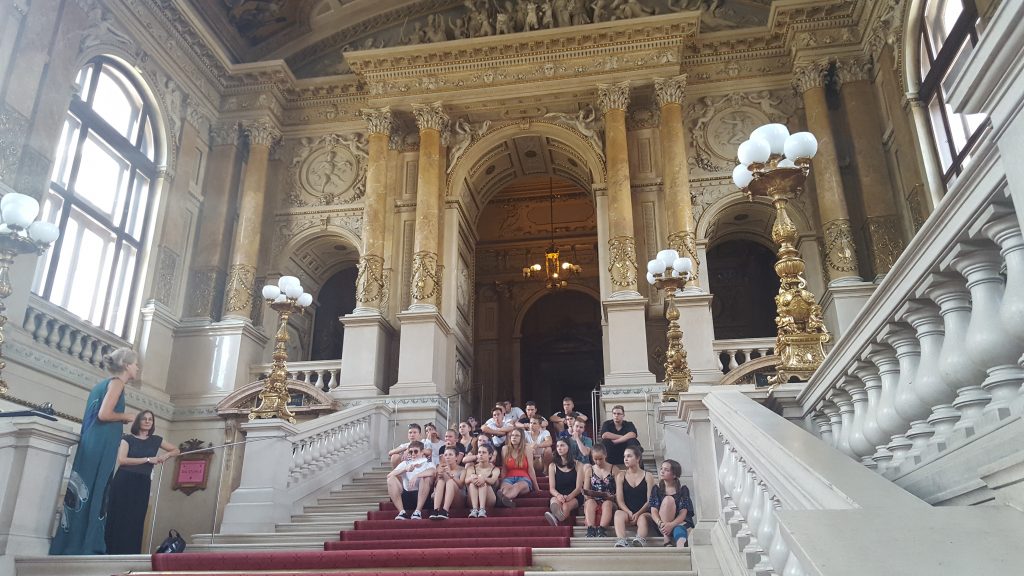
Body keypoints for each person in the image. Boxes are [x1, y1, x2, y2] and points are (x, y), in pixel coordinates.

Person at [51, 348, 138, 556]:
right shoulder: (117, 383)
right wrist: (126, 416)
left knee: (84, 490)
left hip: (94, 441)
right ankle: (89, 545)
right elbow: (104, 414)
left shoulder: (102, 384)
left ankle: (72, 542)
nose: (137, 368)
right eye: (136, 364)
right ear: (127, 365)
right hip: (102, 443)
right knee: (98, 490)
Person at [105, 411, 179, 554]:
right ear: (138, 421)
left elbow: (176, 450)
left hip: (142, 482)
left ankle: (130, 553)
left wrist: (166, 455)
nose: (147, 421)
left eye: (150, 419)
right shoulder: (127, 438)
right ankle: (110, 551)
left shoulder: (156, 440)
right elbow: (122, 460)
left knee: (136, 518)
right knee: (118, 515)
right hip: (124, 480)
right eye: (144, 419)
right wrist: (148, 459)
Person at [643, 459, 694, 547]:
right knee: (668, 500)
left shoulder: (682, 489)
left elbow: (683, 513)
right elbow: (654, 511)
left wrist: (671, 525)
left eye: (666, 470)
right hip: (661, 525)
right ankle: (666, 538)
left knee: (679, 532)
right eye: (661, 469)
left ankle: (680, 547)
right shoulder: (656, 489)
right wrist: (661, 524)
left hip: (678, 522)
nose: (662, 471)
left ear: (674, 475)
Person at [613, 445, 655, 547]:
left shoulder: (648, 476)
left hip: (644, 512)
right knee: (618, 513)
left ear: (638, 458)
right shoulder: (621, 476)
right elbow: (620, 500)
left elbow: (650, 500)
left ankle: (640, 539)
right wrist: (628, 512)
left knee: (642, 518)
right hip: (627, 512)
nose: (625, 459)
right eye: (624, 456)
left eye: (629, 456)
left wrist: (638, 513)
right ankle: (622, 540)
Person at [386, 440, 436, 520]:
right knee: (391, 479)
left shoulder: (428, 463)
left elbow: (433, 472)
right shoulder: (405, 463)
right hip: (407, 496)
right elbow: (389, 475)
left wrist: (417, 475)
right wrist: (405, 469)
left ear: (422, 452)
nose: (413, 454)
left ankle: (418, 511)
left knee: (425, 477)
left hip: (423, 499)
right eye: (410, 452)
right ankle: (402, 512)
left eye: (416, 451)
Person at [545, 438, 583, 526]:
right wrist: (558, 496)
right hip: (558, 494)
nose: (559, 448)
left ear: (569, 447)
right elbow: (552, 488)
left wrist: (569, 497)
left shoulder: (578, 465)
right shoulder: (552, 466)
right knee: (555, 503)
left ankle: (555, 519)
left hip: (574, 495)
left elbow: (578, 488)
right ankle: (557, 518)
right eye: (557, 446)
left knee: (565, 506)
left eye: (562, 445)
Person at [583, 443, 618, 538]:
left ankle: (602, 529)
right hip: (594, 500)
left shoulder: (614, 469)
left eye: (600, 459)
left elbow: (620, 491)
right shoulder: (590, 470)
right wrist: (589, 495)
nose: (598, 462)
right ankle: (590, 529)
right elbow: (586, 491)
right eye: (595, 459)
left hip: (610, 501)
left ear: (605, 455)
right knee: (589, 502)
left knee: (607, 503)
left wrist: (613, 496)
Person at [497, 428, 539, 508]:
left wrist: (536, 488)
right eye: (512, 435)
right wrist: (502, 482)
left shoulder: (527, 448)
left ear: (522, 438)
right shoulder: (505, 449)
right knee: (505, 488)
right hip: (509, 478)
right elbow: (504, 468)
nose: (514, 437)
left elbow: (530, 468)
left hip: (524, 479)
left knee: (516, 486)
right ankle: (507, 500)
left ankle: (502, 499)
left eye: (517, 435)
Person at [430, 447, 466, 520]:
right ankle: (436, 510)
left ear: (456, 457)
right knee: (441, 481)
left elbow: (461, 485)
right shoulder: (440, 468)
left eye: (450, 455)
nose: (447, 457)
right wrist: (439, 477)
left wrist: (450, 475)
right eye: (446, 455)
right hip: (442, 498)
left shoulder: (462, 469)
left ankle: (445, 511)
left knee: (450, 481)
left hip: (458, 498)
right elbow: (435, 485)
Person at [466, 443, 500, 517]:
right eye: (479, 452)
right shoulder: (472, 468)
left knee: (483, 482)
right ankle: (474, 509)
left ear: (490, 455)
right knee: (472, 484)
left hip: (489, 499)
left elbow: (493, 481)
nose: (481, 454)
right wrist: (472, 478)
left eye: (484, 452)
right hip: (473, 499)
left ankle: (482, 510)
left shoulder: (495, 469)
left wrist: (483, 479)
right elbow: (466, 481)